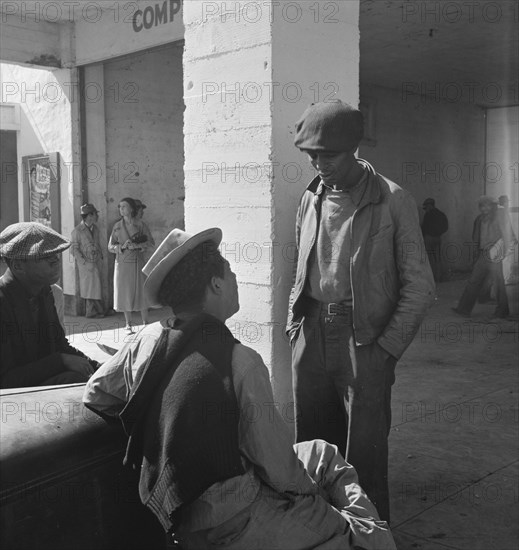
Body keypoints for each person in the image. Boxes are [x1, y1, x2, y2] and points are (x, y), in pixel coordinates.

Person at [83, 227, 396, 550]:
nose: (235, 280)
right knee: (368, 535)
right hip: (237, 520)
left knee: (322, 452)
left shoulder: (147, 340)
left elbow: (97, 393)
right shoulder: (241, 362)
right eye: (230, 272)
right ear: (215, 284)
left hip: (178, 508)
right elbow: (278, 471)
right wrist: (317, 501)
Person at [287, 100, 435, 522]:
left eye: (327, 155)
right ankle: (318, 532)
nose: (318, 164)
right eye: (311, 155)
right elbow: (301, 267)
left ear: (353, 148)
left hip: (364, 339)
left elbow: (420, 287)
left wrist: (384, 350)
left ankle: (368, 536)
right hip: (311, 331)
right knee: (312, 450)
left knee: (363, 456)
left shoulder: (392, 200)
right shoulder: (310, 198)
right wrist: (294, 328)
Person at [0, 222, 98, 389]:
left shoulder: (45, 292)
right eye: (44, 256)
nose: (55, 261)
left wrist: (97, 368)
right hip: (13, 400)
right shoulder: (3, 303)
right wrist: (60, 361)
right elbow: (6, 382)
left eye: (56, 254)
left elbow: (60, 345)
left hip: (37, 384)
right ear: (18, 266)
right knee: (78, 382)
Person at [453, 195, 512, 319]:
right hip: (483, 254)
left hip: (495, 253)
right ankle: (463, 309)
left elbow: (507, 234)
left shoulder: (500, 216)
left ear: (492, 206)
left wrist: (505, 252)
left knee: (498, 283)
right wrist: (474, 255)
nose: (484, 208)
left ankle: (502, 310)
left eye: (487, 205)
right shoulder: (480, 219)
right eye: (482, 206)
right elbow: (476, 238)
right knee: (473, 281)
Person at [108, 197, 154, 332]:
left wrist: (138, 246)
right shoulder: (116, 226)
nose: (121, 209)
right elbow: (110, 246)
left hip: (137, 262)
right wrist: (121, 247)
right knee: (124, 292)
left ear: (132, 209)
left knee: (141, 291)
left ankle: (146, 322)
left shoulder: (141, 225)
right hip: (122, 263)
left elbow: (151, 243)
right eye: (120, 207)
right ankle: (128, 323)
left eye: (124, 206)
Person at [70, 203, 106, 318]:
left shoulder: (95, 228)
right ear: (89, 215)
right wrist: (84, 263)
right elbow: (73, 250)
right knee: (90, 288)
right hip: (85, 264)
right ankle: (93, 312)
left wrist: (100, 256)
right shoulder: (77, 231)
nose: (97, 216)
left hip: (95, 262)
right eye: (95, 214)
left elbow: (97, 243)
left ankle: (96, 311)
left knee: (94, 287)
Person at [421, 197, 449, 282]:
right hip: (438, 238)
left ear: (429, 206)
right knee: (437, 259)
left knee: (429, 259)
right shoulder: (441, 214)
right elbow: (445, 227)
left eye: (426, 207)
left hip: (428, 239)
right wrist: (438, 233)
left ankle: (431, 279)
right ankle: (439, 278)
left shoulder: (428, 215)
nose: (426, 209)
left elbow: (423, 228)